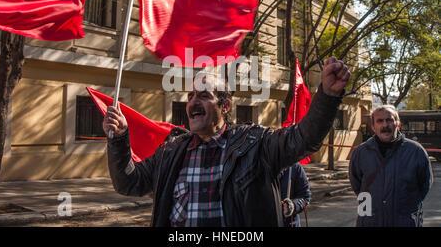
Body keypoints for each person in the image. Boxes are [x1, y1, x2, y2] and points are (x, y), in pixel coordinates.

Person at [103, 57, 350, 227]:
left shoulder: (256, 144)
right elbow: (128, 182)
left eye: (203, 96)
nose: (193, 102)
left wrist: (327, 96)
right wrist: (120, 139)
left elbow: (304, 138)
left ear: (225, 106)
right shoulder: (171, 150)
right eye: (190, 97)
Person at [349, 105, 433, 227]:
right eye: (380, 121)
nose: (385, 125)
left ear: (398, 124)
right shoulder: (361, 152)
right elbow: (357, 184)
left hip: (404, 222)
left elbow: (424, 185)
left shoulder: (416, 151)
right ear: (373, 127)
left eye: (389, 120)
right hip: (369, 222)